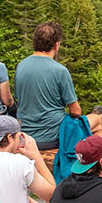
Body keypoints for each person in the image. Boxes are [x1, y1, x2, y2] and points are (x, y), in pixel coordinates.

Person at [14, 22, 82, 151]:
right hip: (51, 137)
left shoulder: (21, 66)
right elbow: (75, 111)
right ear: (56, 45)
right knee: (97, 122)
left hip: (25, 135)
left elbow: (18, 99)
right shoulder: (60, 70)